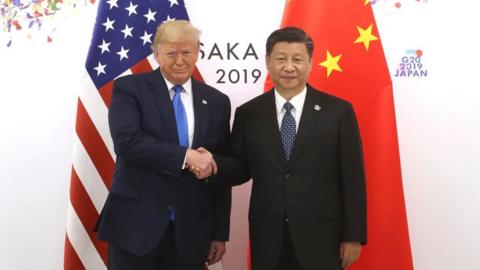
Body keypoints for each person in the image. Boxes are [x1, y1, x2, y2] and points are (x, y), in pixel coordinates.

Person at [194, 26, 367, 270]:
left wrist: (353, 235)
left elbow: (353, 177)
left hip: (322, 236)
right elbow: (241, 167)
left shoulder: (338, 112)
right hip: (268, 235)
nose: (289, 67)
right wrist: (212, 163)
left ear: (310, 62)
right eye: (281, 59)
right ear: (268, 61)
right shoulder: (249, 113)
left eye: (297, 59)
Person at [95, 20, 231, 270]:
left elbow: (217, 170)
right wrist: (186, 157)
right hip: (135, 228)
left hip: (191, 233)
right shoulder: (129, 88)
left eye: (187, 52)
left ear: (197, 52)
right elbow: (127, 142)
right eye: (171, 53)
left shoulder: (217, 101)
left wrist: (219, 232)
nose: (180, 60)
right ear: (157, 54)